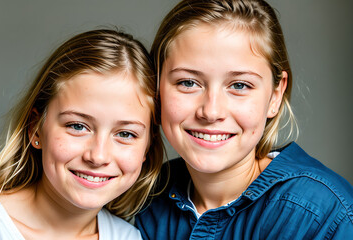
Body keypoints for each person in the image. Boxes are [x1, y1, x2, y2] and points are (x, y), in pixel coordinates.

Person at [0, 29, 164, 240]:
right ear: (35, 129)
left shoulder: (131, 238)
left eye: (126, 134)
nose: (97, 156)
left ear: (147, 149)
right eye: (77, 126)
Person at [135, 0, 353, 239]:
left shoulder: (321, 215)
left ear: (275, 95)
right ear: (155, 89)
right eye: (188, 82)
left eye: (239, 85)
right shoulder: (147, 200)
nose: (211, 111)